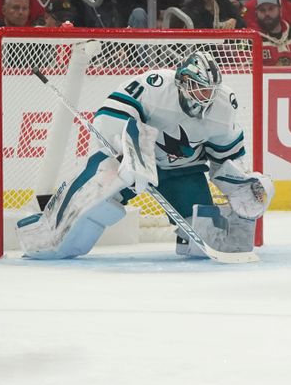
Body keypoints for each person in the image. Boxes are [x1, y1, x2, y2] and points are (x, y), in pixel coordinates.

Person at [16, 51, 274, 260]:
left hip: (185, 171)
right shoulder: (155, 85)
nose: (203, 96)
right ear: (182, 81)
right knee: (94, 203)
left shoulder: (223, 106)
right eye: (198, 87)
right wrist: (130, 158)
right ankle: (46, 233)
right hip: (132, 161)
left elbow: (224, 157)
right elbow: (109, 118)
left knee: (205, 239)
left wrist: (240, 184)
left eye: (209, 90)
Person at [254, 0, 291, 65]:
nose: (267, 14)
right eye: (262, 10)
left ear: (280, 10)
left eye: (271, 9)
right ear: (256, 13)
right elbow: (244, 71)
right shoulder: (252, 40)